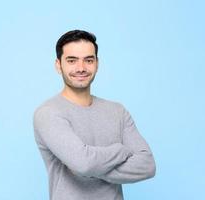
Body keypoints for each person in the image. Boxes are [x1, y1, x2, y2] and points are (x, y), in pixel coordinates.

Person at [33, 30, 156, 200]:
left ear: (97, 64)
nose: (81, 68)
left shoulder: (117, 111)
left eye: (88, 60)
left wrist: (92, 167)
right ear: (58, 65)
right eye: (72, 60)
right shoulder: (48, 114)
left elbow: (147, 165)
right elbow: (83, 163)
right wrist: (121, 151)